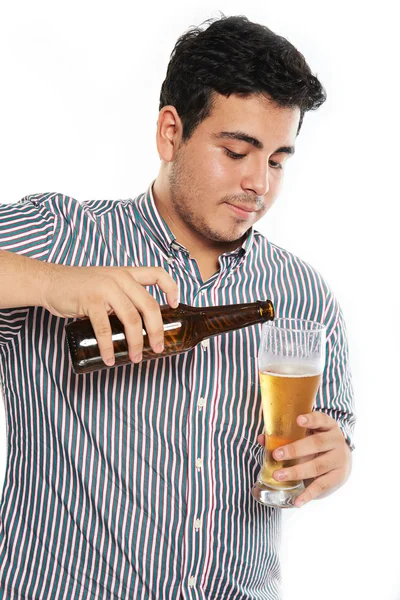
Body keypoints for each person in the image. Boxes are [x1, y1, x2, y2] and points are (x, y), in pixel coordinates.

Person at [0, 15, 355, 600]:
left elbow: (332, 432)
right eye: (237, 150)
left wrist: (335, 461)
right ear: (171, 132)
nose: (257, 183)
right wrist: (51, 283)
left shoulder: (305, 294)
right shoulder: (66, 237)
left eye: (276, 160)